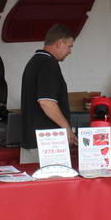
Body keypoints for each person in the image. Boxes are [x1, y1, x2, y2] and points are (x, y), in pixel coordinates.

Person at [19, 24, 77, 164]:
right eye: (69, 46)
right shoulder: (48, 64)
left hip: (33, 141)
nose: (70, 51)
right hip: (48, 144)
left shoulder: (34, 61)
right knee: (52, 185)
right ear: (59, 43)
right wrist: (67, 129)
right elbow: (46, 101)